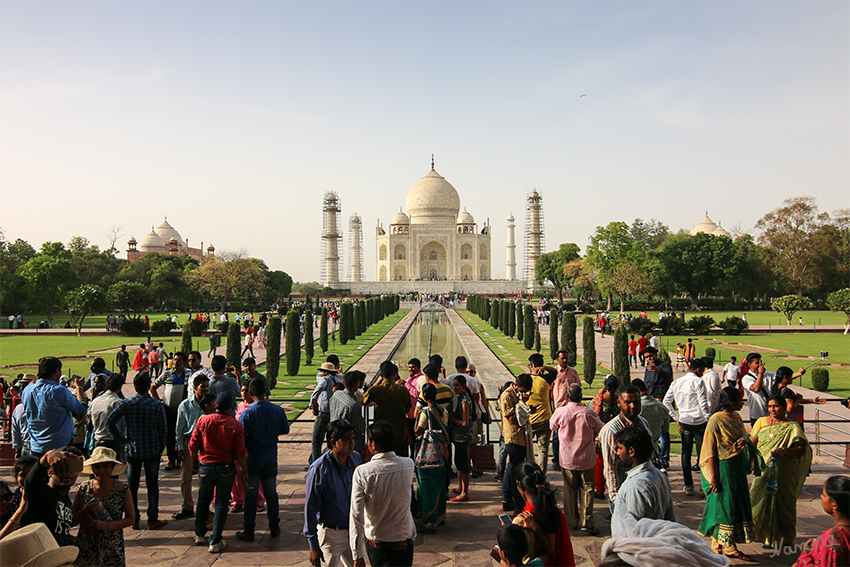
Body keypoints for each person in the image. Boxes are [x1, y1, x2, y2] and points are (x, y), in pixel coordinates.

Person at [697, 387, 758, 561]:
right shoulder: (716, 420)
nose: (742, 403)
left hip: (736, 467)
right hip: (723, 468)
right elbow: (710, 450)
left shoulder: (736, 417)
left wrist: (743, 440)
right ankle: (716, 550)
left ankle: (730, 547)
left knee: (736, 504)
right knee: (724, 506)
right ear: (731, 403)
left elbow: (744, 434)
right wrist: (714, 476)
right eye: (740, 400)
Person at [106, 372, 168, 531]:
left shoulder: (127, 403)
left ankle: (133, 518)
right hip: (151, 449)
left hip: (133, 449)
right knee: (152, 485)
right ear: (149, 386)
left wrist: (121, 439)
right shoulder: (156, 404)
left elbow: (110, 422)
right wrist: (160, 447)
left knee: (132, 486)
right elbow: (163, 429)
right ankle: (152, 519)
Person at [349, 420, 416, 567]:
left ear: (373, 444)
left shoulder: (362, 472)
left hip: (378, 546)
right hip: (403, 542)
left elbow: (356, 515)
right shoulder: (408, 465)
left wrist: (357, 553)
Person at [750, 394, 812, 548]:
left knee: (784, 504)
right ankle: (761, 535)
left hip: (785, 473)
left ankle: (784, 537)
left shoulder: (792, 427)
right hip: (764, 471)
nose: (772, 409)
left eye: (776, 406)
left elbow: (801, 450)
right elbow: (752, 444)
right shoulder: (761, 422)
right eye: (770, 406)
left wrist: (784, 451)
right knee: (757, 501)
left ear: (784, 408)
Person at [189, 392, 249, 553]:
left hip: (206, 465)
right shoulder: (235, 425)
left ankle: (199, 533)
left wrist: (194, 462)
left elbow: (193, 444)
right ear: (231, 407)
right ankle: (215, 540)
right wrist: (244, 471)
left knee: (203, 499)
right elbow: (240, 452)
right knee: (222, 503)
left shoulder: (204, 420)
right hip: (225, 467)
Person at [237, 378, 290, 542]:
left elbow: (241, 438)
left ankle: (249, 530)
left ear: (251, 394)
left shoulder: (247, 414)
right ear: (266, 392)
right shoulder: (277, 410)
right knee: (271, 494)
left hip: (252, 459)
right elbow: (285, 429)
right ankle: (274, 526)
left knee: (251, 496)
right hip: (270, 458)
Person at [304, 420, 362, 567]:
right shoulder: (319, 469)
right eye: (346, 439)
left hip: (353, 531)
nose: (351, 442)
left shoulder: (355, 458)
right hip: (331, 534)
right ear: (334, 442)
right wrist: (313, 545)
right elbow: (310, 508)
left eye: (352, 438)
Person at [550, 384, 603, 536]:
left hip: (568, 458)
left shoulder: (562, 412)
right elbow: (600, 428)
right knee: (587, 489)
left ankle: (572, 522)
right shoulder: (588, 413)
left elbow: (552, 426)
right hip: (586, 458)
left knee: (570, 490)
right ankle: (587, 521)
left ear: (567, 397)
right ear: (581, 396)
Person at [598, 385, 654, 520]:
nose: (633, 406)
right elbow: (610, 467)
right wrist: (616, 499)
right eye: (628, 402)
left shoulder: (643, 424)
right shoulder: (611, 431)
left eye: (636, 402)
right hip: (624, 495)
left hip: (644, 489)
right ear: (619, 403)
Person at [71, 447, 134, 566]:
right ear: (92, 468)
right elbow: (72, 520)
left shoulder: (122, 489)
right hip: (86, 546)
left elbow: (131, 519)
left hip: (112, 547)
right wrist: (86, 511)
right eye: (98, 466)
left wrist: (107, 525)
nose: (102, 470)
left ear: (112, 468)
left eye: (106, 466)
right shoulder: (84, 489)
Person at [610, 425, 675, 536]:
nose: (617, 453)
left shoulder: (636, 487)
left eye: (620, 448)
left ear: (631, 451)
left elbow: (637, 533)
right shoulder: (660, 476)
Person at [663, 358, 711, 497]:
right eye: (702, 370)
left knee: (686, 454)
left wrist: (676, 418)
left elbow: (667, 401)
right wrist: (710, 419)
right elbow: (703, 403)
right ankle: (704, 486)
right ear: (698, 369)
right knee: (703, 455)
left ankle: (688, 485)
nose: (702, 373)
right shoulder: (698, 381)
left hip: (685, 421)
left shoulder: (677, 382)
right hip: (700, 421)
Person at [512, 461, 575, 567]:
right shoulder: (556, 511)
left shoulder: (523, 520)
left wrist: (508, 534)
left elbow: (514, 560)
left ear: (520, 485)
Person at [23, 357, 88, 457]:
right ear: (57, 371)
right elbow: (81, 409)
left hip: (36, 445)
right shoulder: (58, 391)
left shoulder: (27, 390)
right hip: (58, 446)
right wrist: (79, 388)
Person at [21, 446, 85, 547]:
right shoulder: (41, 493)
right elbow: (31, 482)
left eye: (72, 468)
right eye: (62, 468)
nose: (68, 473)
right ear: (50, 472)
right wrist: (46, 458)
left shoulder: (66, 500)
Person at [172, 373, 210, 521]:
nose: (206, 389)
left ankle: (206, 508)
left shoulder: (211, 403)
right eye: (203, 387)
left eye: (207, 386)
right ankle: (187, 506)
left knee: (207, 478)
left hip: (206, 444)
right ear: (195, 388)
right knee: (186, 477)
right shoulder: (186, 405)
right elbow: (179, 428)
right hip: (189, 443)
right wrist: (180, 447)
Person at [413, 383, 450, 533]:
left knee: (426, 488)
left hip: (426, 457)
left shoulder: (426, 412)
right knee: (439, 486)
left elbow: (417, 431)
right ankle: (440, 516)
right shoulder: (442, 411)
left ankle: (430, 520)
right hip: (440, 454)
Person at [794, 476, 850, 567]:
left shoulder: (832, 539)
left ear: (834, 505)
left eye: (824, 495)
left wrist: (807, 554)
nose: (821, 497)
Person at [150, 351, 192, 470]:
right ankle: (171, 460)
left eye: (178, 360)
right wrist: (159, 402)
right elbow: (153, 387)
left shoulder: (188, 374)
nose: (175, 362)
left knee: (181, 434)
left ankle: (180, 459)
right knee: (169, 435)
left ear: (183, 362)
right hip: (168, 410)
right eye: (174, 359)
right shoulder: (167, 374)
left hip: (182, 410)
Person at [361, 361, 411, 457]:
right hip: (399, 436)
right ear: (394, 374)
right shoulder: (402, 390)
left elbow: (364, 401)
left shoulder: (375, 390)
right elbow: (408, 409)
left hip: (382, 436)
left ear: (381, 374)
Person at [499, 375, 531, 513]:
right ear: (516, 385)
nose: (523, 394)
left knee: (513, 469)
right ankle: (517, 502)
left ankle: (507, 499)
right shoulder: (507, 396)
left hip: (519, 437)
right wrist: (522, 403)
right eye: (522, 391)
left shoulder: (515, 395)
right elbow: (512, 419)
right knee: (514, 471)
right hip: (513, 437)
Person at [591, 375, 620, 501]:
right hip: (617, 434)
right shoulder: (618, 399)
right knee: (615, 464)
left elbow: (592, 410)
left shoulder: (599, 399)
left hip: (601, 434)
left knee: (600, 463)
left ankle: (600, 489)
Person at [526, 353, 556, 474]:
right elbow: (554, 372)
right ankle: (541, 476)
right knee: (543, 450)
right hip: (544, 419)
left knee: (528, 450)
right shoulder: (546, 380)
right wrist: (544, 368)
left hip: (529, 419)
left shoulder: (525, 379)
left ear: (531, 365)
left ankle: (528, 474)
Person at [449, 375, 475, 502]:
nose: (455, 388)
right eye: (454, 385)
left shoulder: (465, 400)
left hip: (463, 436)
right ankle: (460, 487)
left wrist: (453, 419)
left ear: (464, 386)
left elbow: (465, 422)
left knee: (464, 464)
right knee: (459, 462)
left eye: (457, 385)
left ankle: (465, 492)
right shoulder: (460, 398)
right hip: (458, 436)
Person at [632, 379, 669, 470]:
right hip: (654, 448)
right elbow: (665, 430)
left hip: (636, 452)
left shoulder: (634, 409)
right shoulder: (661, 407)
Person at [310, 362, 342, 464]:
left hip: (323, 413)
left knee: (316, 441)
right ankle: (317, 461)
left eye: (322, 371)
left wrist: (313, 402)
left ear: (326, 372)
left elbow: (317, 390)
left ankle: (315, 465)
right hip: (333, 414)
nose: (321, 373)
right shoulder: (337, 380)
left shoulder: (325, 379)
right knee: (330, 440)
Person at [88, 373, 125, 460]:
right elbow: (126, 422)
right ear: (120, 388)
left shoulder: (95, 401)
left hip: (97, 440)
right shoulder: (117, 402)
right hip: (112, 442)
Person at [330, 371, 366, 455]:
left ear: (344, 382)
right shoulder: (353, 404)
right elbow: (358, 428)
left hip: (333, 436)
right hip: (347, 443)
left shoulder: (336, 395)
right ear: (357, 384)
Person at [742, 353, 770, 426]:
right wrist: (760, 373)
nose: (760, 364)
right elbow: (756, 388)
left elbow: (783, 378)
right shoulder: (747, 378)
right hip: (757, 415)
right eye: (757, 363)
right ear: (750, 365)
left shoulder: (769, 375)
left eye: (760, 362)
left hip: (770, 415)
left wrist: (798, 373)